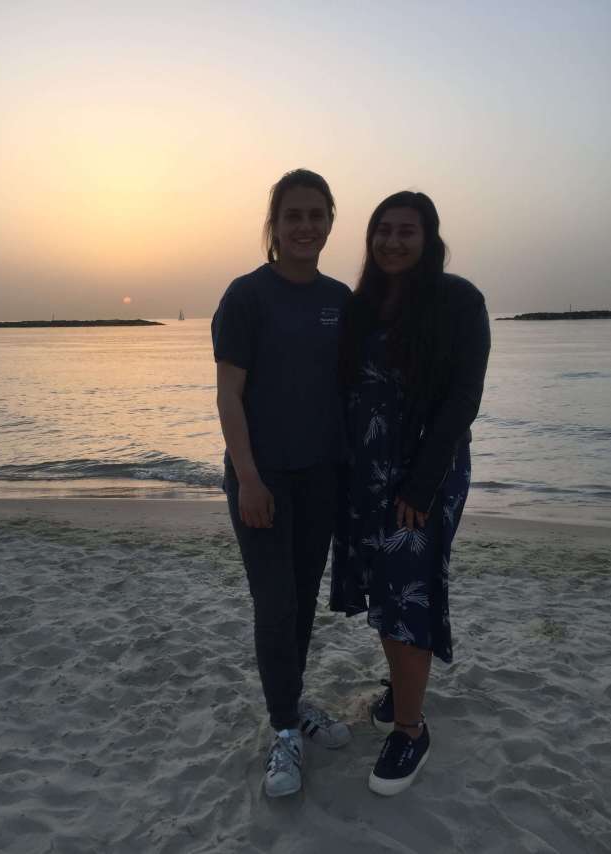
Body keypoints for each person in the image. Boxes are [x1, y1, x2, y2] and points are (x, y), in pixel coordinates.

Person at [331, 191, 490, 796]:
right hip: (365, 471)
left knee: (408, 591)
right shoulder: (361, 305)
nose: (392, 241)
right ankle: (403, 689)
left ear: (429, 239)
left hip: (427, 473)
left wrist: (422, 485)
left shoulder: (458, 301)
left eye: (406, 231)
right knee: (386, 586)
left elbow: (463, 399)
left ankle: (410, 729)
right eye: (383, 230)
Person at [211, 169, 352, 798]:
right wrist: (248, 478)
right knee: (275, 605)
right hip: (261, 480)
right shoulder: (247, 296)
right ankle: (285, 730)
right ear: (274, 224)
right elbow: (229, 395)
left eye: (316, 215)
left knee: (301, 598)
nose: (305, 226)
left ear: (330, 222)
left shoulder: (340, 300)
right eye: (293, 215)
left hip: (320, 478)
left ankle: (292, 704)